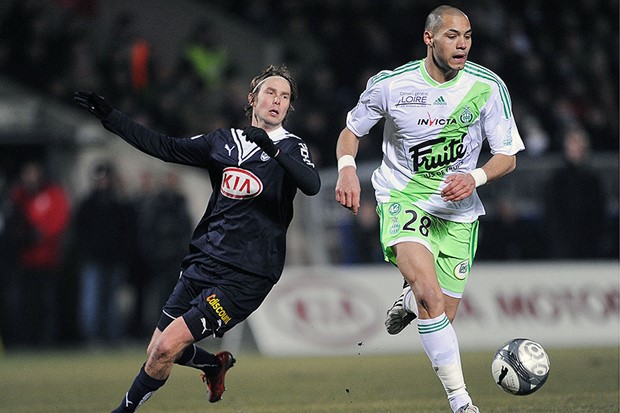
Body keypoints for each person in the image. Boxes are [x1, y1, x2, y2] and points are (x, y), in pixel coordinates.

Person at [74, 63, 320, 412]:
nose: (277, 100)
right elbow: (163, 146)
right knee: (156, 351)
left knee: (164, 350)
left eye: (285, 96)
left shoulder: (292, 147)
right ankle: (212, 365)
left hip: (246, 275)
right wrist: (112, 117)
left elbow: (312, 186)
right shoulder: (222, 142)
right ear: (252, 99)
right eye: (270, 92)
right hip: (203, 262)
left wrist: (273, 149)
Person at [334, 6, 524, 413]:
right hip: (404, 200)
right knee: (431, 299)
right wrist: (347, 171)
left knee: (438, 315)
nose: (462, 45)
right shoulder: (391, 85)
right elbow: (351, 132)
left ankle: (407, 304)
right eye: (453, 36)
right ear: (429, 38)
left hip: (459, 211)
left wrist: (475, 178)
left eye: (468, 36)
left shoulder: (487, 87)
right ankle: (462, 403)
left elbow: (507, 154)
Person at [5, 161, 71, 346]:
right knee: (22, 302)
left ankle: (47, 341)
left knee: (47, 303)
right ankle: (23, 340)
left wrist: (39, 234)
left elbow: (59, 221)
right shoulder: (19, 196)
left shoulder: (52, 194)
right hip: (24, 260)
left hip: (47, 259)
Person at [74, 161, 134, 344]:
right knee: (91, 303)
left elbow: (128, 231)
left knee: (113, 304)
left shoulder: (119, 204)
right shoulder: (88, 204)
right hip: (94, 260)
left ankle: (113, 336)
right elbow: (79, 232)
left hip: (114, 260)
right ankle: (93, 337)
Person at [543, 127, 606, 258]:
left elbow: (599, 211)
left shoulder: (593, 180)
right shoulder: (557, 179)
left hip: (590, 243)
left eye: (579, 144)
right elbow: (551, 212)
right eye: (572, 144)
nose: (576, 149)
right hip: (563, 244)